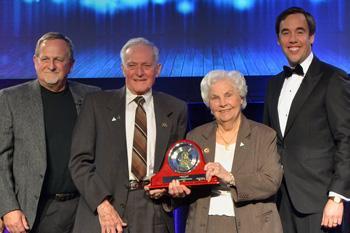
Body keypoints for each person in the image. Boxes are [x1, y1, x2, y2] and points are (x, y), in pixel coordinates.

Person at [69, 37, 188, 233]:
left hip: (154, 211)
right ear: (123, 69)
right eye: (132, 65)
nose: (139, 72)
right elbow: (79, 162)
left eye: (146, 65)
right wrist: (102, 204)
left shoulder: (176, 108)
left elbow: (179, 165)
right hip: (105, 208)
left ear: (158, 69)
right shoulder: (96, 104)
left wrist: (167, 188)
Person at [0, 32, 100, 233]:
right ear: (35, 61)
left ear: (71, 64)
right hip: (36, 211)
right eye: (45, 59)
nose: (51, 65)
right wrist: (8, 208)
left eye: (58, 59)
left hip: (85, 208)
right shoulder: (10, 99)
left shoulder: (92, 96)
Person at [263, 7, 350, 233]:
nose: (292, 39)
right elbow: (269, 140)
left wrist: (337, 197)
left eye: (300, 32)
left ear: (311, 37)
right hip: (279, 201)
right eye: (285, 33)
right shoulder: (273, 85)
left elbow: (347, 139)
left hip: (319, 204)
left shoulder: (333, 78)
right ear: (278, 39)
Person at [168, 70, 283, 233]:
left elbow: (271, 182)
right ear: (209, 103)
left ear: (241, 97)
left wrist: (230, 178)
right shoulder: (195, 137)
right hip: (205, 225)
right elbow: (189, 183)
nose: (223, 103)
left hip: (253, 225)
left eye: (228, 95)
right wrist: (178, 191)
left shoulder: (264, 136)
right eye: (215, 98)